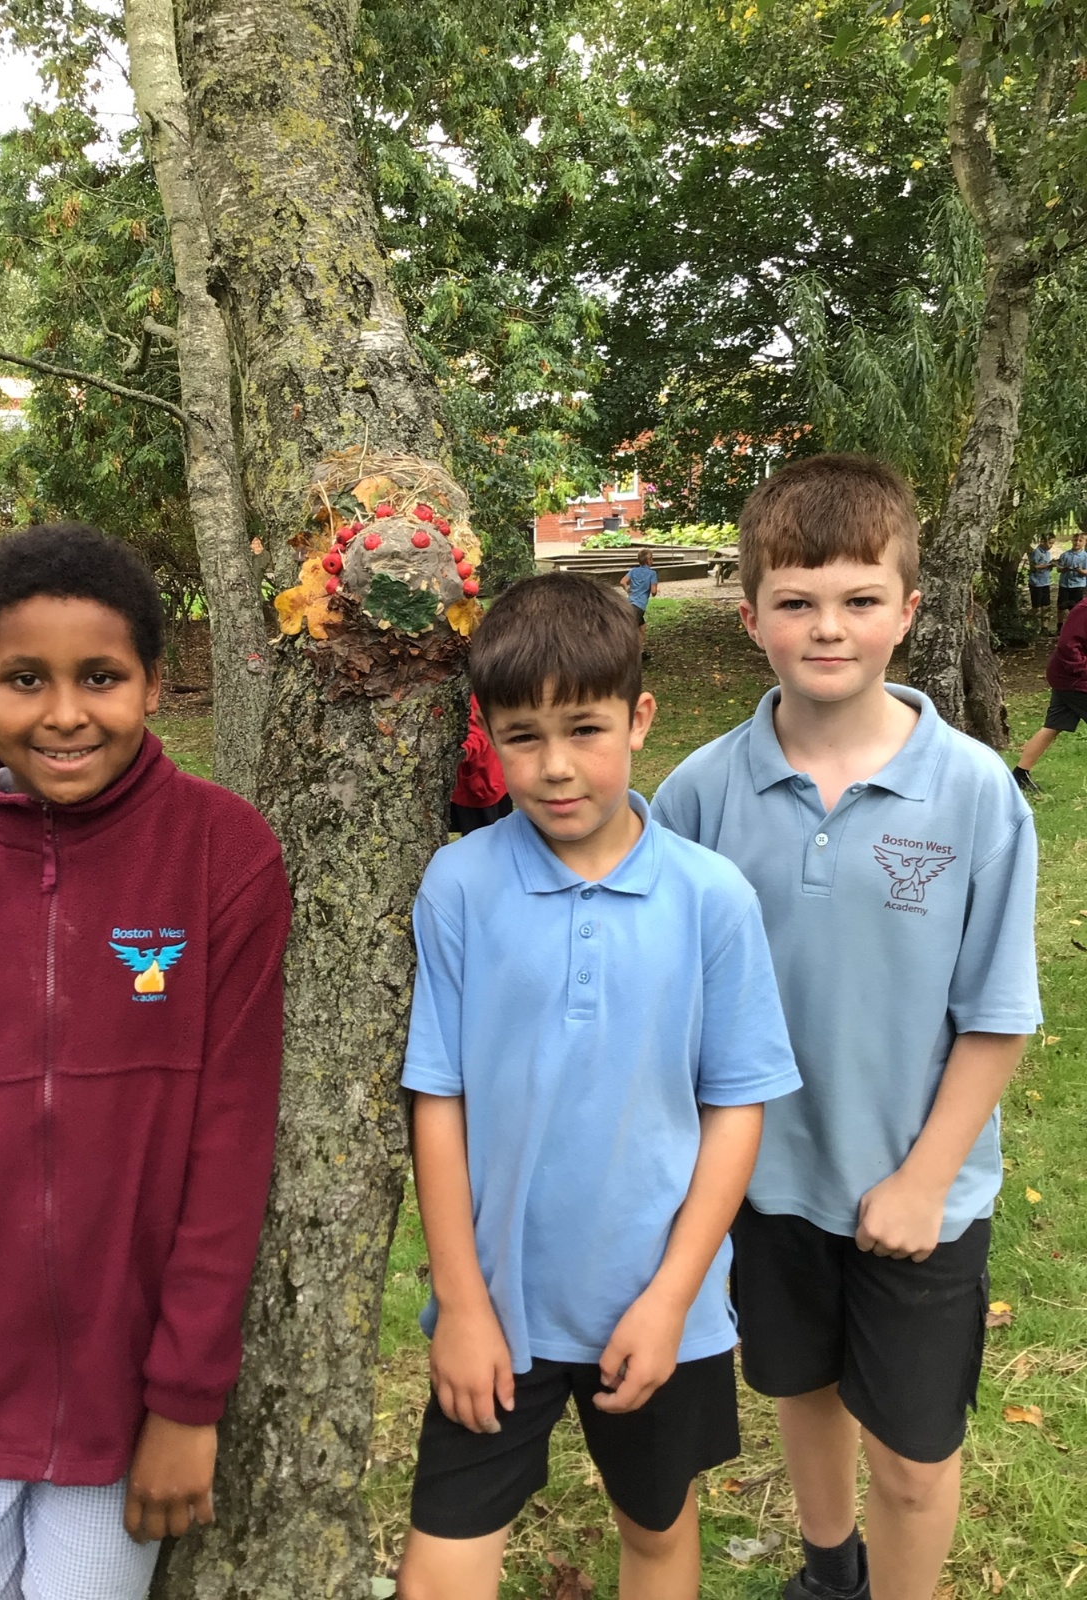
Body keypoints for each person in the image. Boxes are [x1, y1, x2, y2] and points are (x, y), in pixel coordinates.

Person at [652, 454, 1040, 1600]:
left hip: (920, 1190)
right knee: (801, 1389)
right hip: (762, 1182)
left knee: (913, 1461)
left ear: (907, 610)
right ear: (751, 616)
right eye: (797, 601)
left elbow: (997, 1015)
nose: (829, 627)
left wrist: (922, 1179)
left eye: (860, 599)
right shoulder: (699, 795)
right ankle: (830, 1571)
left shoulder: (974, 791)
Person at [0, 523, 291, 1599]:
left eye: (100, 677)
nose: (65, 713)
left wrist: (186, 1402)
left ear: (153, 683)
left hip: (128, 1401)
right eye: (26, 678)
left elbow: (231, 1148)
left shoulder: (225, 857)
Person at [395, 573, 801, 1600]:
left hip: (662, 1310)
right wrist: (462, 1304)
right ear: (489, 738)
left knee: (658, 1532)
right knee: (440, 1561)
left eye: (585, 728)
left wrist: (672, 1298)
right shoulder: (459, 886)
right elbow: (438, 1100)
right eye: (522, 736)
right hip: (501, 1313)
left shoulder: (712, 898)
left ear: (639, 718)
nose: (556, 766)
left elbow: (736, 1108)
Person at [1012, 586, 1087, 792]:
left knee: (1053, 726)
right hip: (1073, 679)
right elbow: (1067, 646)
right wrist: (1083, 669)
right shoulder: (1084, 610)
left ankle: (1019, 775)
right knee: (1053, 726)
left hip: (1067, 679)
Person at [449, 693, 513, 834]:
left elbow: (478, 734)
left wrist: (454, 754)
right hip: (474, 783)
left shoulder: (470, 693)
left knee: (491, 837)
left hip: (482, 785)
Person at [620, 548, 658, 657]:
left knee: (642, 627)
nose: (652, 560)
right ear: (648, 560)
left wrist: (627, 590)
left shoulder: (633, 571)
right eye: (652, 559)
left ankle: (640, 652)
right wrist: (653, 590)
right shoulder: (652, 573)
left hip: (629, 603)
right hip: (639, 606)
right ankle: (627, 655)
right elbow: (654, 592)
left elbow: (622, 582)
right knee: (631, 630)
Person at [1056, 529, 1087, 626]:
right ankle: (1060, 626)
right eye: (1075, 540)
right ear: (1072, 541)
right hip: (1064, 585)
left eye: (1080, 540)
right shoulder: (1065, 555)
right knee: (1061, 606)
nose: (1077, 542)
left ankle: (1074, 626)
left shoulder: (1085, 557)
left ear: (1085, 543)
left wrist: (1080, 571)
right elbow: (1058, 569)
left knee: (1075, 608)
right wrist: (1063, 569)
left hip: (1078, 585)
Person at [1027, 539, 1054, 634]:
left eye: (1052, 543)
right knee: (1036, 607)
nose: (1051, 545)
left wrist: (1051, 565)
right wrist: (1048, 565)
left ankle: (1044, 628)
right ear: (1042, 542)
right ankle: (1028, 623)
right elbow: (1034, 566)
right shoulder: (1037, 552)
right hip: (1036, 583)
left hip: (1045, 582)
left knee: (1046, 606)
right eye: (1050, 543)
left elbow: (1047, 567)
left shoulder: (1047, 553)